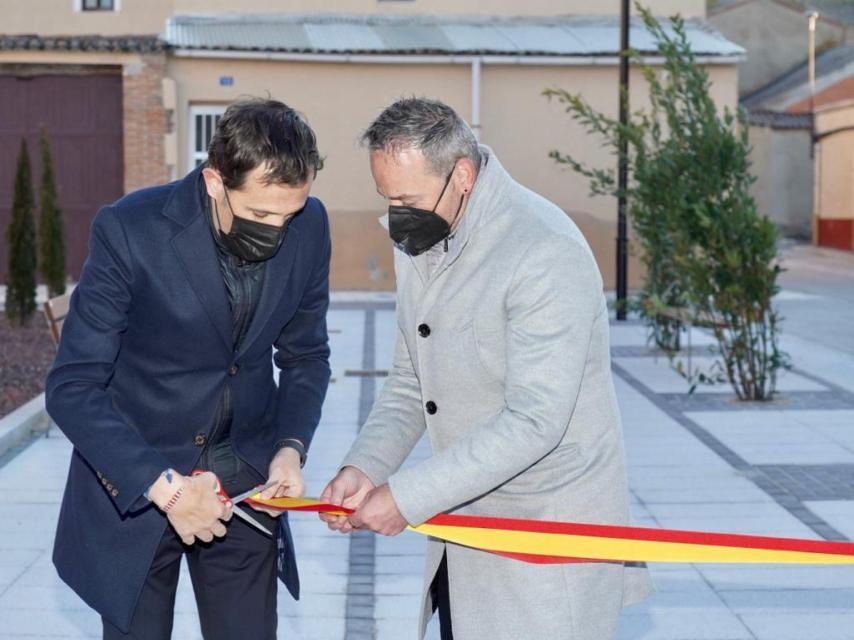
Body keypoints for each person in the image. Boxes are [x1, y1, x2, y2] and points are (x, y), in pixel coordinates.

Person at [320, 97, 654, 640]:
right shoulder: (424, 235)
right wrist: (364, 468)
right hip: (464, 535)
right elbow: (410, 384)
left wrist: (406, 497)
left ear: (464, 176)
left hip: (544, 544)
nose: (398, 216)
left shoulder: (544, 250)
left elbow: (535, 420)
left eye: (407, 199)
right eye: (387, 199)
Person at [45, 98, 332, 639]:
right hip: (140, 488)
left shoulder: (310, 226)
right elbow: (72, 387)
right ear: (215, 181)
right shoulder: (130, 229)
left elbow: (306, 355)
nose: (278, 230)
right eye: (262, 215)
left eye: (290, 213)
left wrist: (290, 448)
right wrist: (167, 491)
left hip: (245, 487)